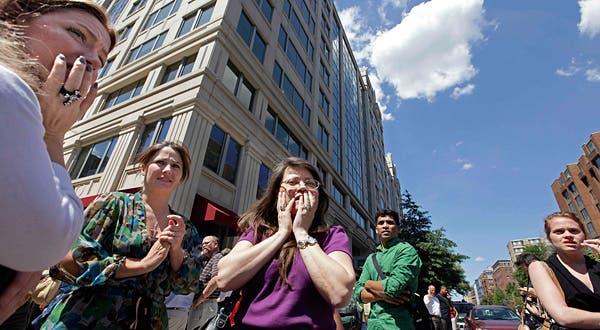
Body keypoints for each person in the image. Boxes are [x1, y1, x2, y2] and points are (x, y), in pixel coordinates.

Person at [0, 0, 116, 324]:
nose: (92, 60)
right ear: (16, 20)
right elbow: (48, 237)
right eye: (77, 34)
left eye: (102, 59)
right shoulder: (11, 87)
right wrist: (54, 136)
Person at [41, 141, 203, 329]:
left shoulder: (186, 228)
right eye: (160, 162)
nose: (168, 170)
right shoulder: (114, 204)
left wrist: (176, 250)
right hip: (89, 317)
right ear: (143, 168)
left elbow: (188, 285)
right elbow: (71, 259)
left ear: (182, 177)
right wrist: (141, 265)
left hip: (147, 321)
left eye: (176, 166)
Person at [217, 157, 355, 329]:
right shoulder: (258, 231)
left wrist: (301, 232)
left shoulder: (332, 236)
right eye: (293, 182)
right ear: (277, 193)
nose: (302, 187)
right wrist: (282, 233)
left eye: (310, 183)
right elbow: (224, 279)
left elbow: (340, 294)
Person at [529, 211, 600, 329]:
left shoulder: (596, 265)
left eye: (574, 231)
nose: (568, 235)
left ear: (584, 235)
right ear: (549, 238)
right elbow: (564, 316)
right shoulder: (540, 268)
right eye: (559, 232)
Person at [354, 209, 422, 329]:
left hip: (399, 325)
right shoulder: (371, 258)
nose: (385, 226)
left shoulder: (406, 251)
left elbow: (393, 288)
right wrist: (382, 295)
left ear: (398, 229)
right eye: (381, 223)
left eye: (390, 222)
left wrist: (368, 284)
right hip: (373, 325)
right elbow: (358, 294)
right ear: (376, 229)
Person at [187, 235, 223, 330]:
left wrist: (199, 300)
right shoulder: (206, 259)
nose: (204, 246)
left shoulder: (218, 257)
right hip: (202, 303)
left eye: (207, 243)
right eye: (203, 244)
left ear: (216, 244)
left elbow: (215, 280)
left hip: (205, 304)